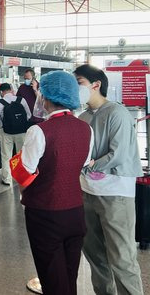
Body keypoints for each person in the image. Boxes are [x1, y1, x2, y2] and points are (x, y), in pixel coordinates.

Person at [19, 70, 93, 295]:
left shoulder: (39, 131)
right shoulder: (86, 128)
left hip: (45, 214)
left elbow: (25, 174)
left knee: (52, 279)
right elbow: (83, 163)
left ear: (46, 97)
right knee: (69, 275)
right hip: (76, 212)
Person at [74, 64, 144, 295]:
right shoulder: (83, 116)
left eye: (80, 82)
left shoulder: (117, 113)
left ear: (96, 85)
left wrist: (88, 164)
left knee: (122, 259)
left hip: (116, 194)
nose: (76, 88)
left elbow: (119, 153)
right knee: (95, 256)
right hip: (88, 191)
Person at [0, 83, 31, 185]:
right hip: (21, 132)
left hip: (6, 132)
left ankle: (7, 179)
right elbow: (29, 116)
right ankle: (21, 178)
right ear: (11, 90)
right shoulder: (21, 100)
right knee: (21, 155)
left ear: (1, 92)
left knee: (6, 156)